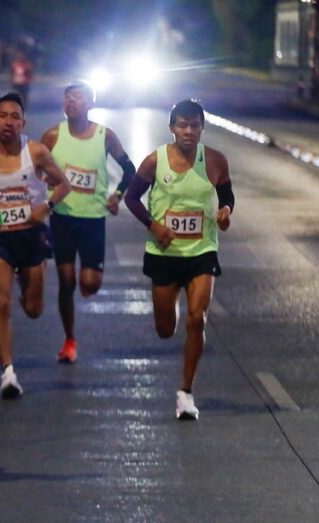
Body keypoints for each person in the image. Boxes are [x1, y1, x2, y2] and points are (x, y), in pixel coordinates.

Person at [124, 100, 233, 421]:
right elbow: (132, 198)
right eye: (182, 125)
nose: (188, 131)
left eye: (194, 125)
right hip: (164, 253)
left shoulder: (214, 160)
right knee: (165, 329)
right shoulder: (154, 161)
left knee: (197, 319)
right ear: (171, 128)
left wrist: (225, 212)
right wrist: (153, 225)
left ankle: (186, 392)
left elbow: (227, 196)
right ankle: (169, 315)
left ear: (202, 128)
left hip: (202, 251)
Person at [41, 80, 137, 363]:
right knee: (66, 281)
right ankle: (69, 339)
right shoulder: (52, 136)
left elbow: (129, 169)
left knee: (90, 283)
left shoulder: (105, 136)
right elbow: (34, 170)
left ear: (91, 104)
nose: (72, 101)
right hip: (62, 217)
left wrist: (117, 195)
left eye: (79, 97)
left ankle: (89, 279)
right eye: (68, 97)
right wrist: (45, 189)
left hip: (93, 219)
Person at [0, 94, 70, 398]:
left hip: (31, 236)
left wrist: (45, 208)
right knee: (1, 302)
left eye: (14, 117)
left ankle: (25, 282)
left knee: (33, 309)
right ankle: (8, 374)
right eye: (2, 116)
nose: (8, 122)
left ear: (23, 122)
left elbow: (64, 185)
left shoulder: (36, 152)